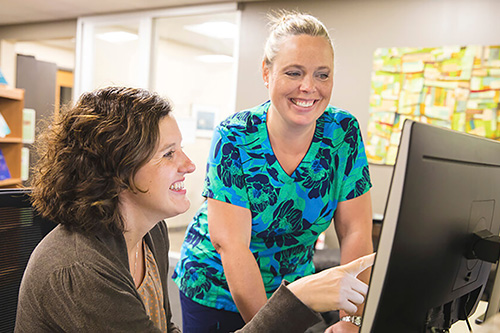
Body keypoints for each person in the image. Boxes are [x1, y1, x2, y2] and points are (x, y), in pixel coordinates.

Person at [14, 86, 374, 333]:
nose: (188, 165)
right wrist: (298, 299)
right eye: (168, 153)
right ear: (118, 171)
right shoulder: (82, 272)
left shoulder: (145, 232)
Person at [173, 10, 374, 332]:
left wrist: (351, 318)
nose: (309, 87)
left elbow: (356, 231)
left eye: (322, 75)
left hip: (295, 288)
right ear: (267, 73)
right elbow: (231, 244)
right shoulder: (236, 136)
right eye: (294, 73)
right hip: (217, 286)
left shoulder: (342, 133)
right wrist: (272, 324)